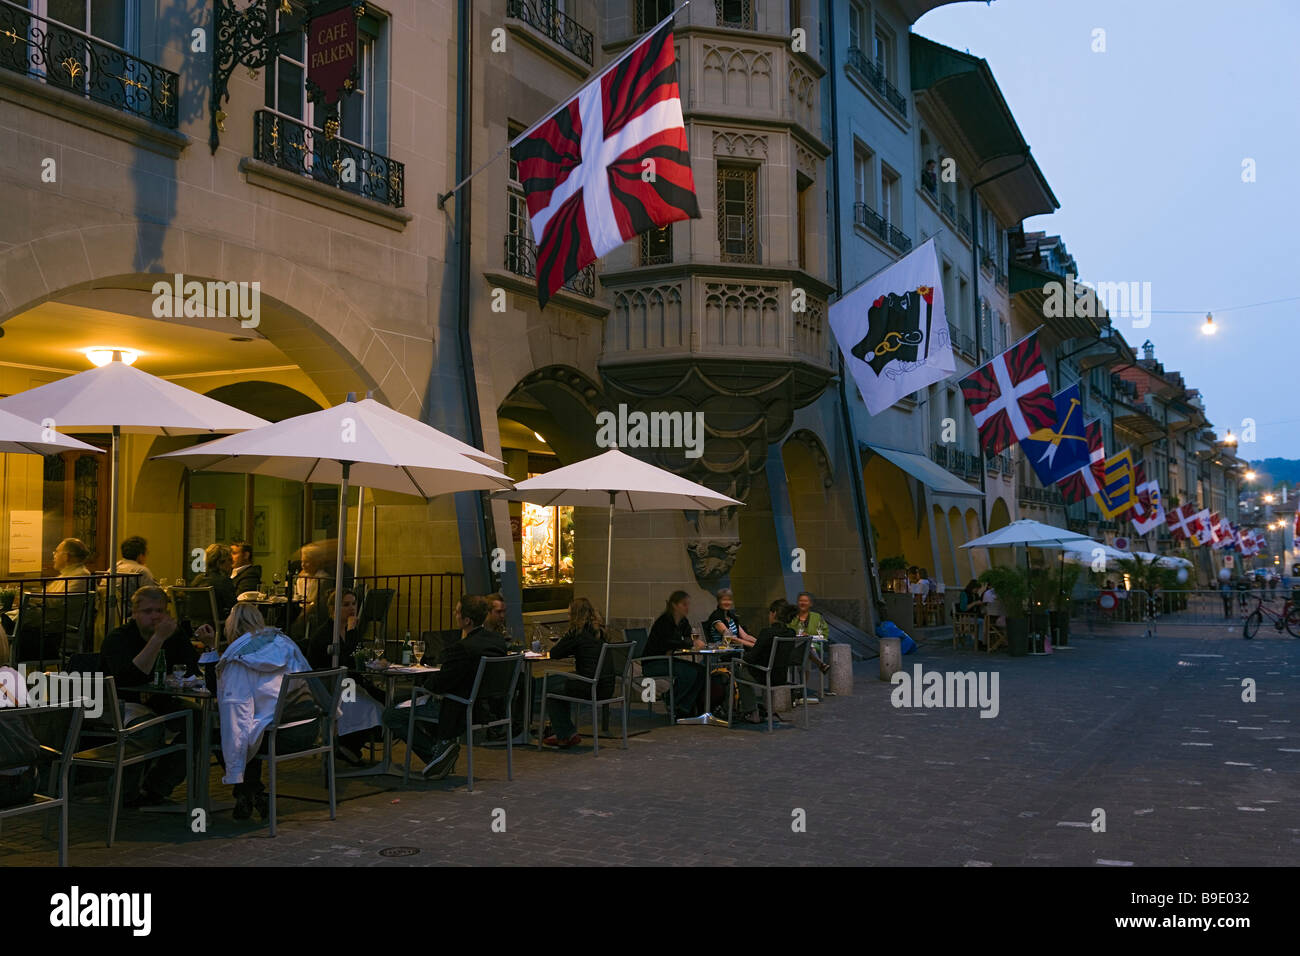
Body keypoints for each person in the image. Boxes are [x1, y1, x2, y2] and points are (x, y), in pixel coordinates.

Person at [217, 602, 334, 821]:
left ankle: (250, 794)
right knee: (254, 730)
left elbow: (236, 717)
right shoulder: (285, 643)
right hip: (309, 728)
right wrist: (333, 712)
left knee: (230, 737)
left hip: (278, 736)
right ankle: (255, 795)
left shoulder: (236, 661)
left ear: (230, 628)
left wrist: (234, 773)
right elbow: (311, 679)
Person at [99, 586, 210, 807]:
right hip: (119, 703)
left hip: (159, 700)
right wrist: (158, 639)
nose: (155, 616)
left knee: (200, 718)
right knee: (147, 728)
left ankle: (157, 786)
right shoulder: (119, 638)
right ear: (135, 613)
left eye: (160, 611)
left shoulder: (173, 636)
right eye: (148, 611)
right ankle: (124, 794)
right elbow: (129, 678)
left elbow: (190, 669)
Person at [380, 595, 509, 778]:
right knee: (409, 702)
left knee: (392, 713)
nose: (454, 615)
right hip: (486, 705)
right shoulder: (497, 642)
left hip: (459, 706)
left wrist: (426, 682)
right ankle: (440, 753)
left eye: (457, 612)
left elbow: (439, 685)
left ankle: (436, 753)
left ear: (467, 620)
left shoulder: (462, 648)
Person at [540, 597, 609, 748]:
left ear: (576, 616)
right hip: (606, 686)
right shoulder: (600, 633)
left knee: (550, 689)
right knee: (560, 683)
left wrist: (565, 638)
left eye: (570, 614)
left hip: (589, 686)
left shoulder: (577, 633)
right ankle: (564, 731)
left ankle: (565, 735)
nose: (568, 617)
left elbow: (555, 653)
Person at [644, 591, 706, 720]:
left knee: (701, 671)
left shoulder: (683, 621)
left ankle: (682, 706)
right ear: (674, 605)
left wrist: (691, 642)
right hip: (653, 662)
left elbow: (688, 637)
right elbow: (669, 642)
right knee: (690, 673)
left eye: (688, 604)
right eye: (684, 604)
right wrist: (690, 643)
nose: (687, 608)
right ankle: (675, 703)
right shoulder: (664, 621)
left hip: (667, 659)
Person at [734, 599, 798, 724]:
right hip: (781, 676)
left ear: (773, 613)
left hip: (765, 675)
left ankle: (752, 712)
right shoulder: (791, 633)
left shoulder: (767, 632)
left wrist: (743, 656)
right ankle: (766, 710)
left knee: (738, 672)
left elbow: (752, 658)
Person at [190, 543, 238, 621]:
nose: (232, 563)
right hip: (218, 626)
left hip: (196, 626)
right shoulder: (224, 581)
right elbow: (235, 608)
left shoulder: (198, 580)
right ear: (219, 563)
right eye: (229, 560)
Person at [791, 591, 831, 674]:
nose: (803, 603)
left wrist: (809, 636)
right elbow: (788, 632)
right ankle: (821, 664)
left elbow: (824, 633)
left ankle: (801, 685)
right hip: (795, 644)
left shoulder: (817, 617)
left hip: (813, 644)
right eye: (800, 601)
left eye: (805, 601)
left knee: (807, 646)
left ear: (810, 604)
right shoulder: (792, 617)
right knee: (806, 648)